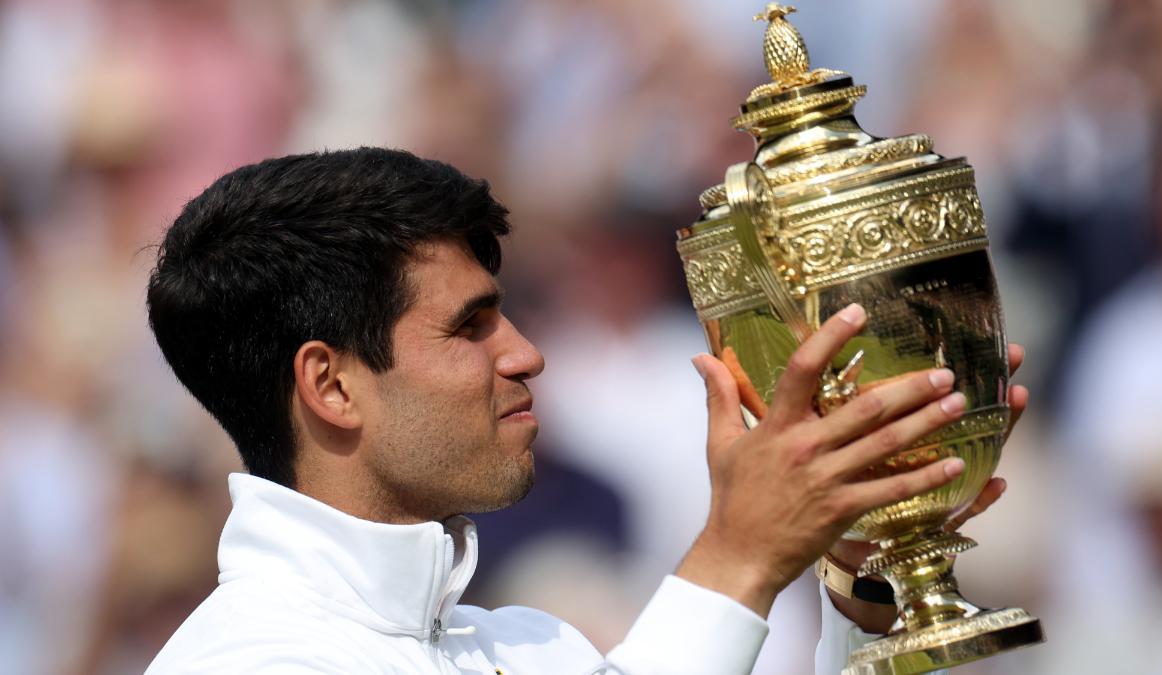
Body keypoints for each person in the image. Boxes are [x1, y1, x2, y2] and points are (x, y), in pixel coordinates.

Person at [143, 148, 1023, 674]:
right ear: (331, 385)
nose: (525, 353)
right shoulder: (249, 659)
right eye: (470, 325)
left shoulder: (531, 647)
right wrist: (740, 558)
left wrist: (867, 571)